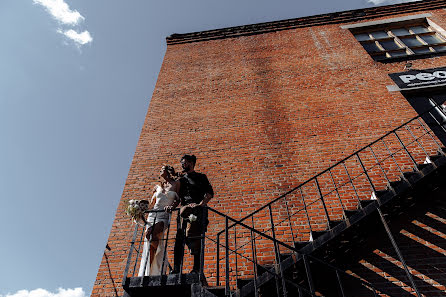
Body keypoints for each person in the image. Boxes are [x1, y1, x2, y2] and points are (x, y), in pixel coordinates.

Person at [164, 154, 214, 275]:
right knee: (179, 239)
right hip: (184, 212)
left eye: (185, 162)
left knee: (197, 239)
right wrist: (171, 207)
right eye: (181, 163)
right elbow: (177, 199)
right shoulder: (181, 180)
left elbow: (209, 193)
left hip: (198, 212)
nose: (182, 164)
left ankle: (196, 269)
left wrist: (200, 205)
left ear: (191, 163)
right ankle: (176, 269)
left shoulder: (201, 177)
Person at [138, 166, 179, 276]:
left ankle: (164, 262)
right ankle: (152, 270)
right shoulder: (158, 186)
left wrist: (172, 207)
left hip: (164, 216)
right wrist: (138, 209)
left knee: (154, 233)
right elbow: (151, 204)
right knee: (149, 237)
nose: (160, 171)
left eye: (162, 169)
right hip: (153, 214)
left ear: (168, 172)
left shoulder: (176, 184)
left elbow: (178, 200)